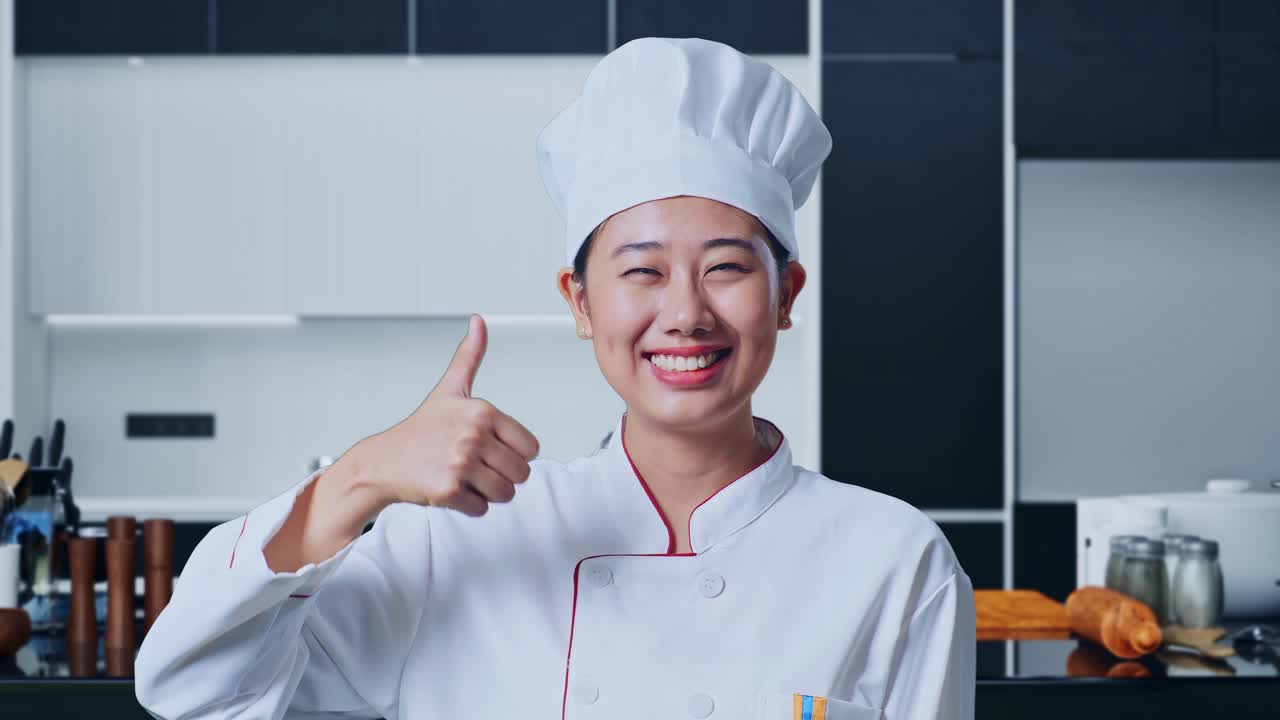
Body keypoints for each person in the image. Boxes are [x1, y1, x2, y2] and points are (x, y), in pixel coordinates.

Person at [135, 37, 975, 720]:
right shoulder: (458, 541)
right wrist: (361, 476)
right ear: (579, 301)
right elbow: (197, 690)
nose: (685, 313)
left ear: (785, 296)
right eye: (641, 272)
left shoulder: (893, 562)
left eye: (725, 268)